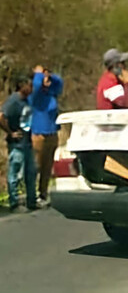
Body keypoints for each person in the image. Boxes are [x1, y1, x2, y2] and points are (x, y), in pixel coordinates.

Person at [0, 74, 37, 213]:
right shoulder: (13, 101)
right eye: (29, 85)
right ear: (22, 86)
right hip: (17, 144)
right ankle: (14, 203)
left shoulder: (26, 101)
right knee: (15, 173)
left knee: (30, 172)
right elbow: (1, 116)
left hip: (27, 142)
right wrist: (10, 132)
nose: (31, 88)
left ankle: (31, 201)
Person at [29, 65, 63, 206]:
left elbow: (59, 83)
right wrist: (38, 75)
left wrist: (50, 74)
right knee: (36, 166)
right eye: (44, 77)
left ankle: (43, 194)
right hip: (39, 134)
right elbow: (36, 85)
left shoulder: (51, 92)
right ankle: (31, 195)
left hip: (52, 133)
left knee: (47, 167)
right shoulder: (34, 94)